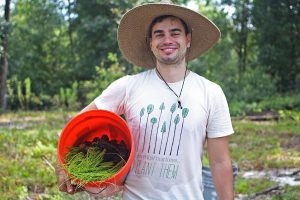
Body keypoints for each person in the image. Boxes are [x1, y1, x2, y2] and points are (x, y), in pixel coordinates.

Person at [56, 1, 235, 199]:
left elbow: (220, 162)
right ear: (150, 43)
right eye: (159, 34)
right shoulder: (128, 86)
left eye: (175, 33)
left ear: (188, 39)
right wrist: (62, 164)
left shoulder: (211, 92)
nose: (167, 39)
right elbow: (80, 123)